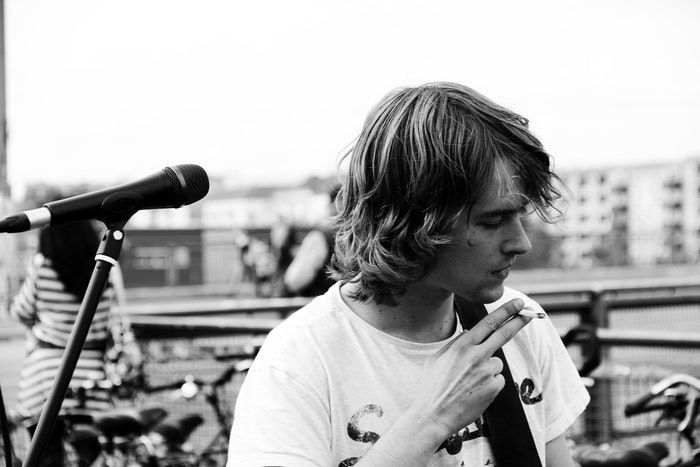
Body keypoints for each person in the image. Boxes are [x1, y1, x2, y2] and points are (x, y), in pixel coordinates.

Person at [227, 82, 589, 466]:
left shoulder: (520, 325)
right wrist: (433, 419)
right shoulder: (299, 362)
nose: (520, 243)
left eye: (520, 216)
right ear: (413, 218)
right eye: (492, 220)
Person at [10, 217, 125, 465]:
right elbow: (110, 319)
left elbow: (21, 311)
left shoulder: (43, 266)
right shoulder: (105, 268)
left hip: (44, 381)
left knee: (45, 455)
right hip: (90, 380)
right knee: (89, 456)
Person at [282, 184, 340, 297]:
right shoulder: (365, 235)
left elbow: (294, 280)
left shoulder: (321, 236)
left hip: (321, 303)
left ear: (332, 205)